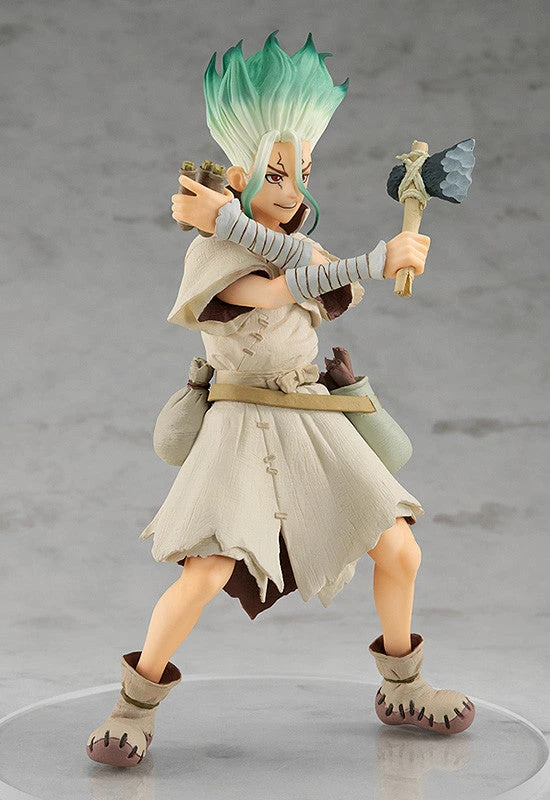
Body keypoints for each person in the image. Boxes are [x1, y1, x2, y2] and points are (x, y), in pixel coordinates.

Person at [86, 32, 474, 768]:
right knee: (205, 571)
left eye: (302, 173)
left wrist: (372, 256)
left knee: (400, 546)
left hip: (309, 419)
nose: (293, 189)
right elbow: (275, 289)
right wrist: (368, 255)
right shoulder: (211, 252)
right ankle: (132, 708)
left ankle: (404, 686)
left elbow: (332, 277)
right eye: (275, 174)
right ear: (240, 175)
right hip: (238, 422)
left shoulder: (283, 240)